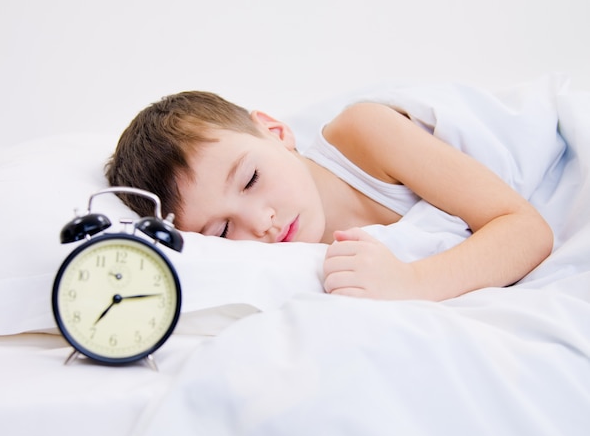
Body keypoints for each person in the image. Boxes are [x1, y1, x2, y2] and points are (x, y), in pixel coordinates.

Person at [105, 91, 553, 301]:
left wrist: (412, 283)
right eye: (222, 229)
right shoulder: (298, 268)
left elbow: (526, 229)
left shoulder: (364, 134)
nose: (261, 222)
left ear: (276, 131)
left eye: (251, 179)